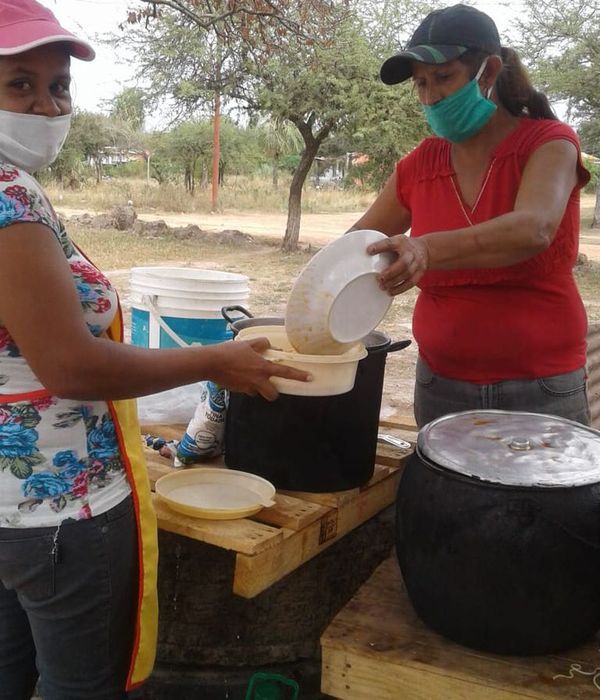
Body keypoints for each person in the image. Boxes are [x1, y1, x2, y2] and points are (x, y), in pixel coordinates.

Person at [0, 2, 310, 698]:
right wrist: (213, 360)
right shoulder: (9, 201)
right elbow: (70, 366)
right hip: (57, 510)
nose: (46, 105)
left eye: (58, 85)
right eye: (19, 83)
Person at [351, 3, 591, 428]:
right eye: (420, 84)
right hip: (440, 384)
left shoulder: (551, 143)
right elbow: (358, 244)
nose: (430, 96)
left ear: (490, 71)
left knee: (538, 497)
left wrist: (425, 248)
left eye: (444, 77)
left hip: (540, 387)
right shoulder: (418, 166)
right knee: (451, 497)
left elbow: (532, 229)